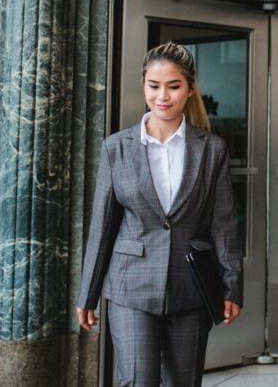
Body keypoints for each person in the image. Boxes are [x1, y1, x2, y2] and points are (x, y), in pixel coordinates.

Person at [76, 43, 242, 386]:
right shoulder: (116, 148)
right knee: (138, 379)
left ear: (191, 88)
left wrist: (232, 287)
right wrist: (88, 294)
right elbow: (102, 227)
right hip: (130, 286)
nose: (162, 96)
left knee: (184, 381)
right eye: (154, 85)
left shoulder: (212, 149)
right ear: (144, 86)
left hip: (191, 286)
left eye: (174, 86)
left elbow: (224, 224)